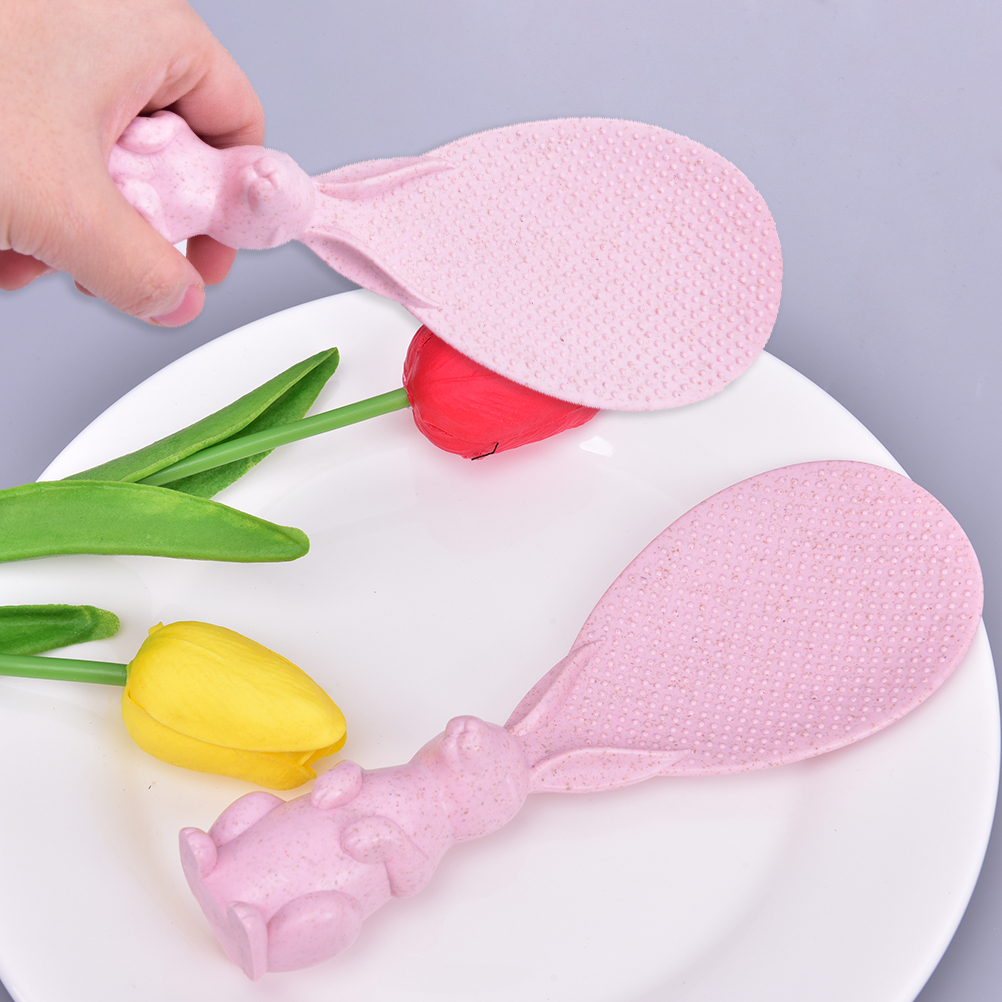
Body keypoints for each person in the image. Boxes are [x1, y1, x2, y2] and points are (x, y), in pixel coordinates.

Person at [0, 0, 263, 326]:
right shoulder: (185, 138)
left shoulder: (188, 217)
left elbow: (156, 220)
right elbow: (164, 131)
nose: (266, 183)